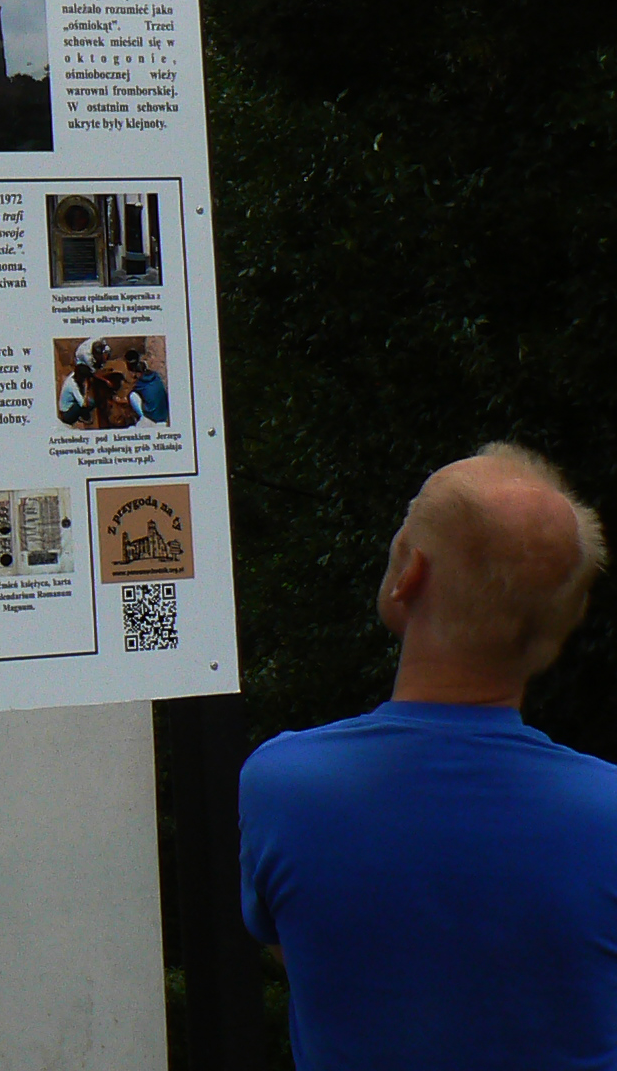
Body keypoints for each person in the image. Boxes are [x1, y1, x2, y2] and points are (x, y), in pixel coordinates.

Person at [240, 443, 617, 1069]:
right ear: (564, 620)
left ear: (409, 573)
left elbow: (302, 954)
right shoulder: (606, 812)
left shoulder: (283, 785)